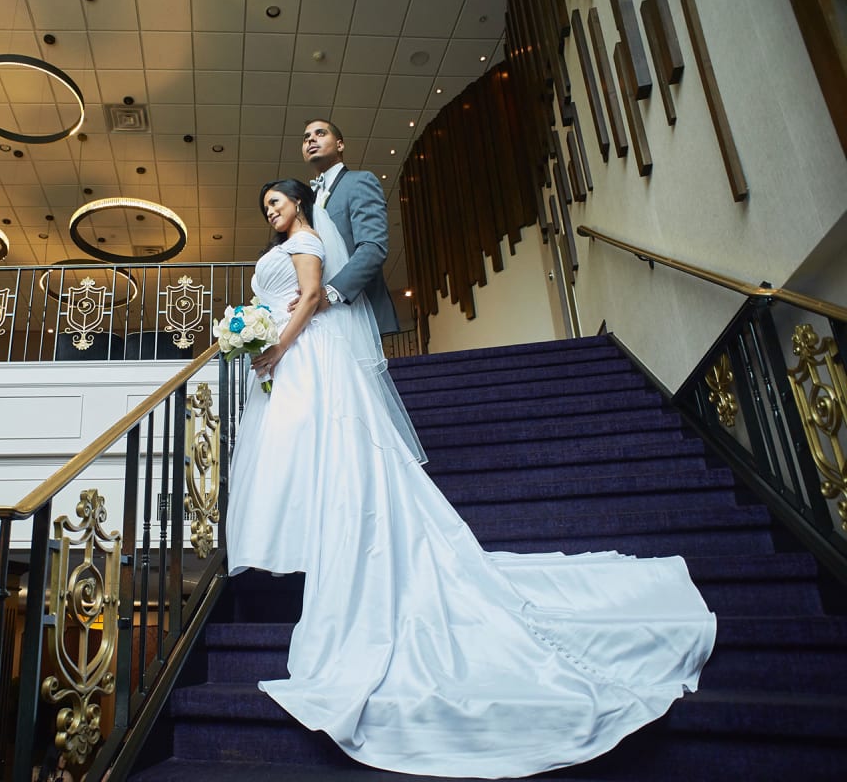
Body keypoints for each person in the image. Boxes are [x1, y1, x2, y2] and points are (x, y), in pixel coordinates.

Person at [226, 179, 716, 778]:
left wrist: (274, 346)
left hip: (301, 352)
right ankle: (300, 555)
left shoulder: (307, 242)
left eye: (277, 201)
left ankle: (326, 557)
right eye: (265, 206)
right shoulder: (284, 242)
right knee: (293, 460)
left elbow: (306, 298)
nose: (271, 210)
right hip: (287, 359)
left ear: (299, 204)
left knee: (326, 455)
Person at [299, 119, 401, 336]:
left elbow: (373, 248)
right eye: (306, 137)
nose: (311, 140)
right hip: (317, 319)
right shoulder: (306, 201)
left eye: (320, 133)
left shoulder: (360, 181)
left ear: (340, 145)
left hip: (356, 309)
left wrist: (331, 294)